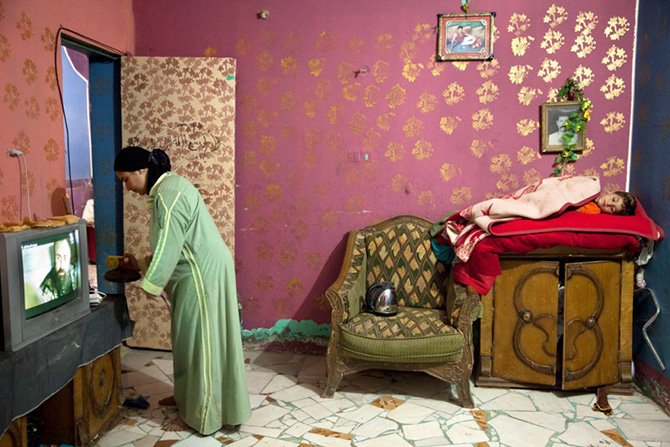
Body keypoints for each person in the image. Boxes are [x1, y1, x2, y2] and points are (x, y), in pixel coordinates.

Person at [114, 146, 251, 435]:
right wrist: (140, 264)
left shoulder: (168, 195)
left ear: (141, 170)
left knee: (201, 344)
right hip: (199, 271)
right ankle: (187, 399)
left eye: (126, 179)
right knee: (189, 340)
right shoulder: (167, 190)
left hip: (201, 275)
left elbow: (167, 246)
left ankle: (203, 417)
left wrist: (151, 283)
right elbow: (175, 244)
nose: (127, 188)